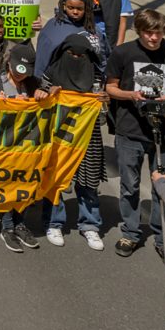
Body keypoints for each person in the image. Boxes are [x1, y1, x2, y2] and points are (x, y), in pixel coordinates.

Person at [105, 9, 165, 261]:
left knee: (163, 187)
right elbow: (110, 88)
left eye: (158, 33)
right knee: (130, 186)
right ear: (139, 31)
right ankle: (131, 232)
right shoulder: (123, 53)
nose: (153, 38)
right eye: (148, 33)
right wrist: (131, 95)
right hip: (131, 131)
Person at [40, 34, 109, 251]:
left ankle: (90, 224)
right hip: (59, 136)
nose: (76, 58)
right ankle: (53, 223)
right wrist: (48, 95)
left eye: (81, 55)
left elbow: (103, 117)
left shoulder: (96, 74)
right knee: (56, 178)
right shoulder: (51, 72)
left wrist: (103, 103)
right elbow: (40, 105)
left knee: (88, 182)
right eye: (72, 54)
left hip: (88, 136)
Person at [0, 45, 49, 253]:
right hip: (2, 144)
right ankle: (7, 227)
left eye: (26, 71)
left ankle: (20, 222)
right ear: (9, 63)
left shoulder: (32, 82)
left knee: (24, 184)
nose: (22, 76)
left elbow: (53, 88)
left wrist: (44, 91)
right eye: (19, 70)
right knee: (7, 184)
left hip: (27, 145)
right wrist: (7, 101)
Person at [35, 0, 108, 78]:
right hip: (60, 85)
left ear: (86, 8)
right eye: (71, 8)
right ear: (64, 5)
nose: (75, 12)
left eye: (79, 9)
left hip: (89, 85)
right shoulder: (53, 27)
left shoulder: (93, 28)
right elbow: (42, 62)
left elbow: (103, 57)